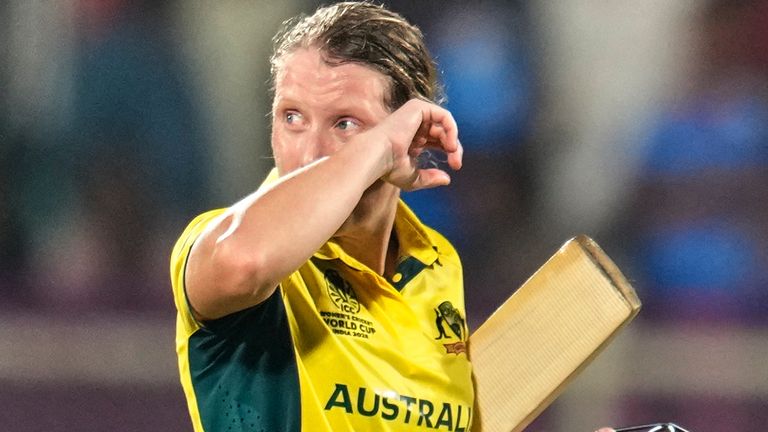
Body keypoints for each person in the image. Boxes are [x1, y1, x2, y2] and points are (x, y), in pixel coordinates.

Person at [170, 2, 470, 431]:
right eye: (292, 117)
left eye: (345, 123)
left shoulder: (438, 263)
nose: (310, 154)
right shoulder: (221, 241)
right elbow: (245, 262)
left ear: (413, 137)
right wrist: (376, 146)